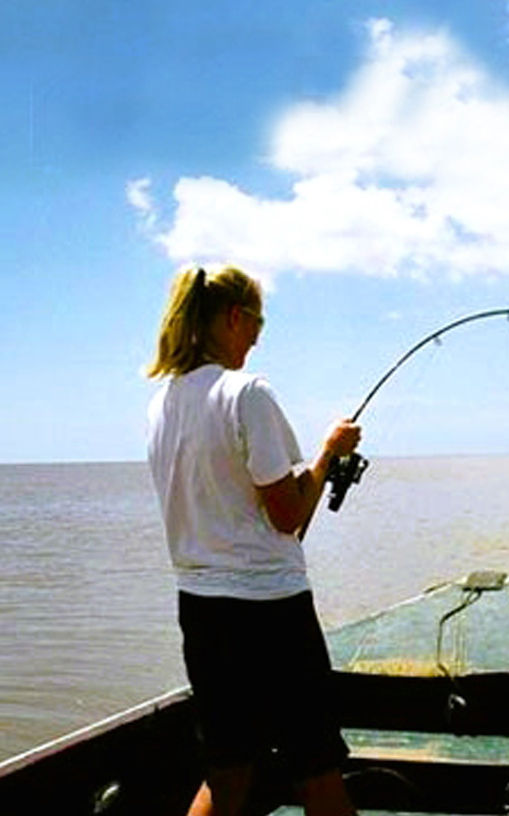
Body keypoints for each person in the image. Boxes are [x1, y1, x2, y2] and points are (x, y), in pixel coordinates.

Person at [145, 264, 361, 816]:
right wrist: (328, 455)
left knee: (227, 770)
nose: (259, 336)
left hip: (201, 613)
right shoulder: (248, 395)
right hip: (270, 613)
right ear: (234, 317)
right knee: (317, 769)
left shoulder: (163, 404)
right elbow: (288, 518)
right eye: (257, 322)